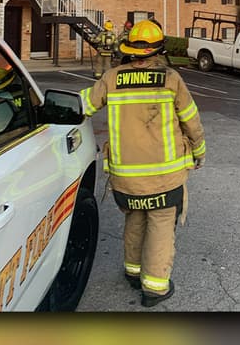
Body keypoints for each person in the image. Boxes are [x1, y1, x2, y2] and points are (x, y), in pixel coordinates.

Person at [79, 20, 205, 307]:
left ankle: (132, 272)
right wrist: (199, 151)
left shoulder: (112, 78)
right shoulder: (171, 78)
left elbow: (82, 105)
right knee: (160, 225)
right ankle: (155, 287)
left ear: (129, 49)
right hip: (166, 176)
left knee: (135, 219)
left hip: (126, 177)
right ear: (159, 49)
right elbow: (191, 121)